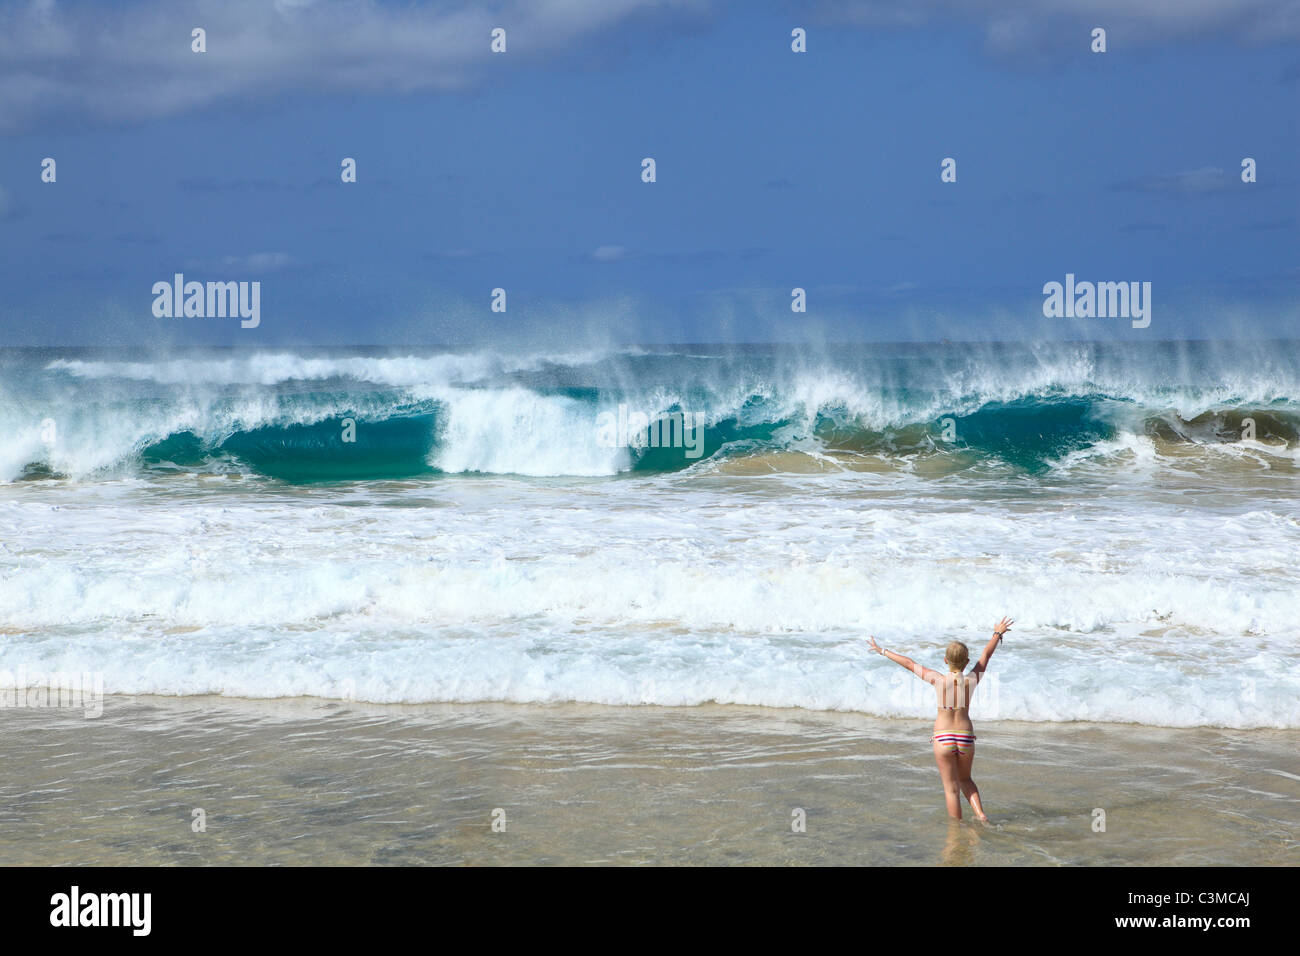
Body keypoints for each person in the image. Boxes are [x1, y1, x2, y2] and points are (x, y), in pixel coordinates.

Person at [868, 617, 1013, 822]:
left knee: (951, 789)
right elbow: (986, 655)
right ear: (967, 662)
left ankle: (956, 830)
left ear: (946, 660)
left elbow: (909, 664)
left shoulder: (937, 679)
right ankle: (981, 816)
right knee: (966, 779)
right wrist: (997, 634)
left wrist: (881, 650)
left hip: (943, 737)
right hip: (965, 737)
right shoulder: (972, 679)